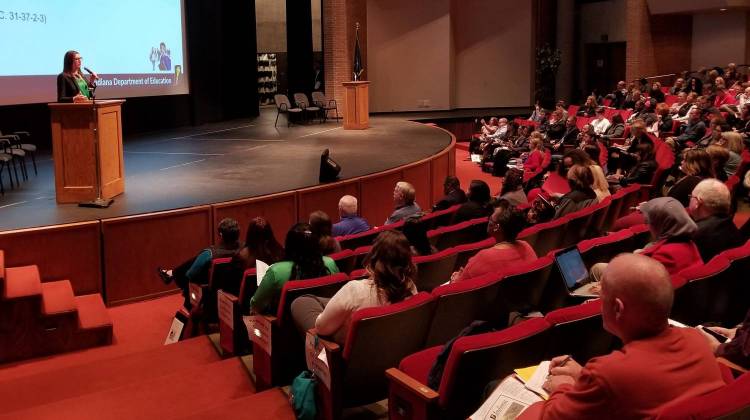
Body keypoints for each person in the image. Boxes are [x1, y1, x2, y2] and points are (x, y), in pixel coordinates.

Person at [523, 254, 725, 419]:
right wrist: (584, 377)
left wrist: (564, 387)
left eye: (602, 298)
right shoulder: (697, 340)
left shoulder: (609, 373)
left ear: (618, 309)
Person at [290, 230, 417, 344]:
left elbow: (321, 328)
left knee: (300, 302)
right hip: (385, 349)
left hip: (338, 355)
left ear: (376, 259)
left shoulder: (354, 290)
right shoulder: (411, 288)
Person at [591, 197, 702, 282]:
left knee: (597, 268)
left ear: (660, 225)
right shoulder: (689, 242)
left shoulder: (665, 255)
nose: (648, 226)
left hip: (642, 298)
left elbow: (639, 285)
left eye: (649, 222)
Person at [249, 222, 339, 314]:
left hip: (285, 327)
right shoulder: (330, 263)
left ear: (289, 245)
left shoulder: (276, 271)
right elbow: (337, 294)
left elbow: (255, 306)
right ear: (316, 244)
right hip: (325, 317)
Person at [158, 218, 242, 308]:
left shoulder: (210, 253)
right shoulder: (244, 249)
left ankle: (172, 274)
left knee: (198, 263)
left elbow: (190, 274)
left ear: (221, 235)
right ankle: (172, 273)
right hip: (236, 289)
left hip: (209, 294)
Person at [451, 202, 536, 283]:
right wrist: (466, 274)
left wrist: (456, 278)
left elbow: (457, 289)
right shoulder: (527, 247)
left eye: (490, 219)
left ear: (496, 227)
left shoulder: (483, 257)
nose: (489, 220)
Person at [689, 179, 747, 262]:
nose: (690, 200)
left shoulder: (694, 235)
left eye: (691, 197)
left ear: (697, 203)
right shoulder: (730, 225)